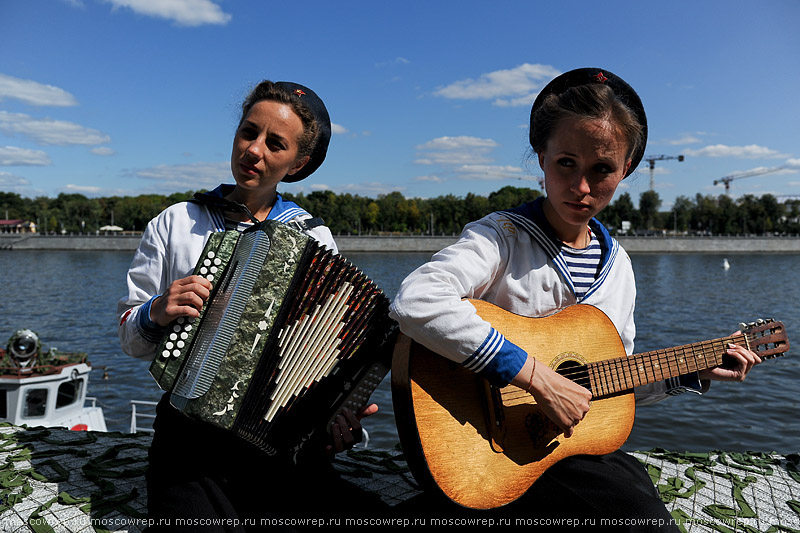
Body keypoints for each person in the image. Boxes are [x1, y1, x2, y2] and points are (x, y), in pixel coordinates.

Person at [389, 68, 761, 530]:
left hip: (561, 454)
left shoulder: (618, 266)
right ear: (540, 155)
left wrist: (688, 371)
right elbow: (416, 300)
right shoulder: (502, 237)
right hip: (480, 448)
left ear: (626, 169)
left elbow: (607, 384)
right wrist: (536, 378)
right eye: (566, 162)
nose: (582, 187)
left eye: (602, 169)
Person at [117, 80, 383, 530]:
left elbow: (326, 353)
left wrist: (337, 411)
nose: (253, 150)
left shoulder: (313, 237)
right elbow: (129, 338)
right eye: (248, 132)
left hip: (279, 443)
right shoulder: (177, 222)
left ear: (298, 164)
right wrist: (159, 309)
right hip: (189, 445)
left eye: (274, 143)